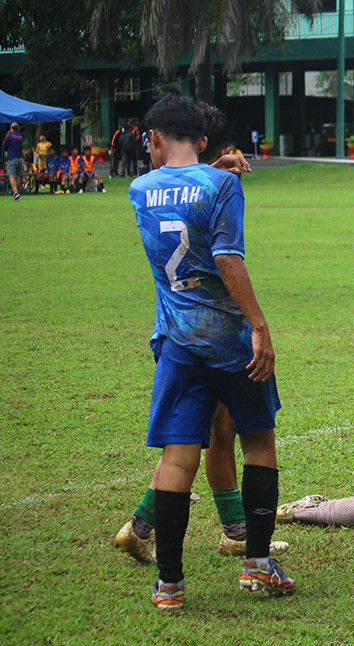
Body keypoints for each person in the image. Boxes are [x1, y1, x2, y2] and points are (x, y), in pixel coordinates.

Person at [128, 94, 291, 610]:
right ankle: (258, 568)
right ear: (201, 138)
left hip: (176, 342)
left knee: (179, 457)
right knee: (257, 445)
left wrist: (211, 170)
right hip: (229, 341)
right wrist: (259, 326)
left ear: (154, 138)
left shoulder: (137, 189)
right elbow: (227, 257)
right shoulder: (222, 185)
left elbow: (177, 195)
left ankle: (170, 586)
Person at [3, 123, 25, 200]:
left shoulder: (9, 137)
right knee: (18, 177)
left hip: (12, 158)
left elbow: (4, 147)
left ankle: (15, 193)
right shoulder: (21, 137)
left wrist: (7, 136)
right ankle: (16, 193)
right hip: (20, 158)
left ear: (11, 128)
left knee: (11, 176)